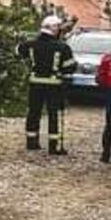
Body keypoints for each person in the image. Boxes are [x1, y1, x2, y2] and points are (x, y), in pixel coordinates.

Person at [17, 15, 78, 154]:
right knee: (53, 114)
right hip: (54, 85)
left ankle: (31, 142)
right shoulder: (62, 47)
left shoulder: (31, 44)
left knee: (33, 113)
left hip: (35, 84)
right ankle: (53, 146)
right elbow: (69, 67)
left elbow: (18, 50)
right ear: (54, 29)